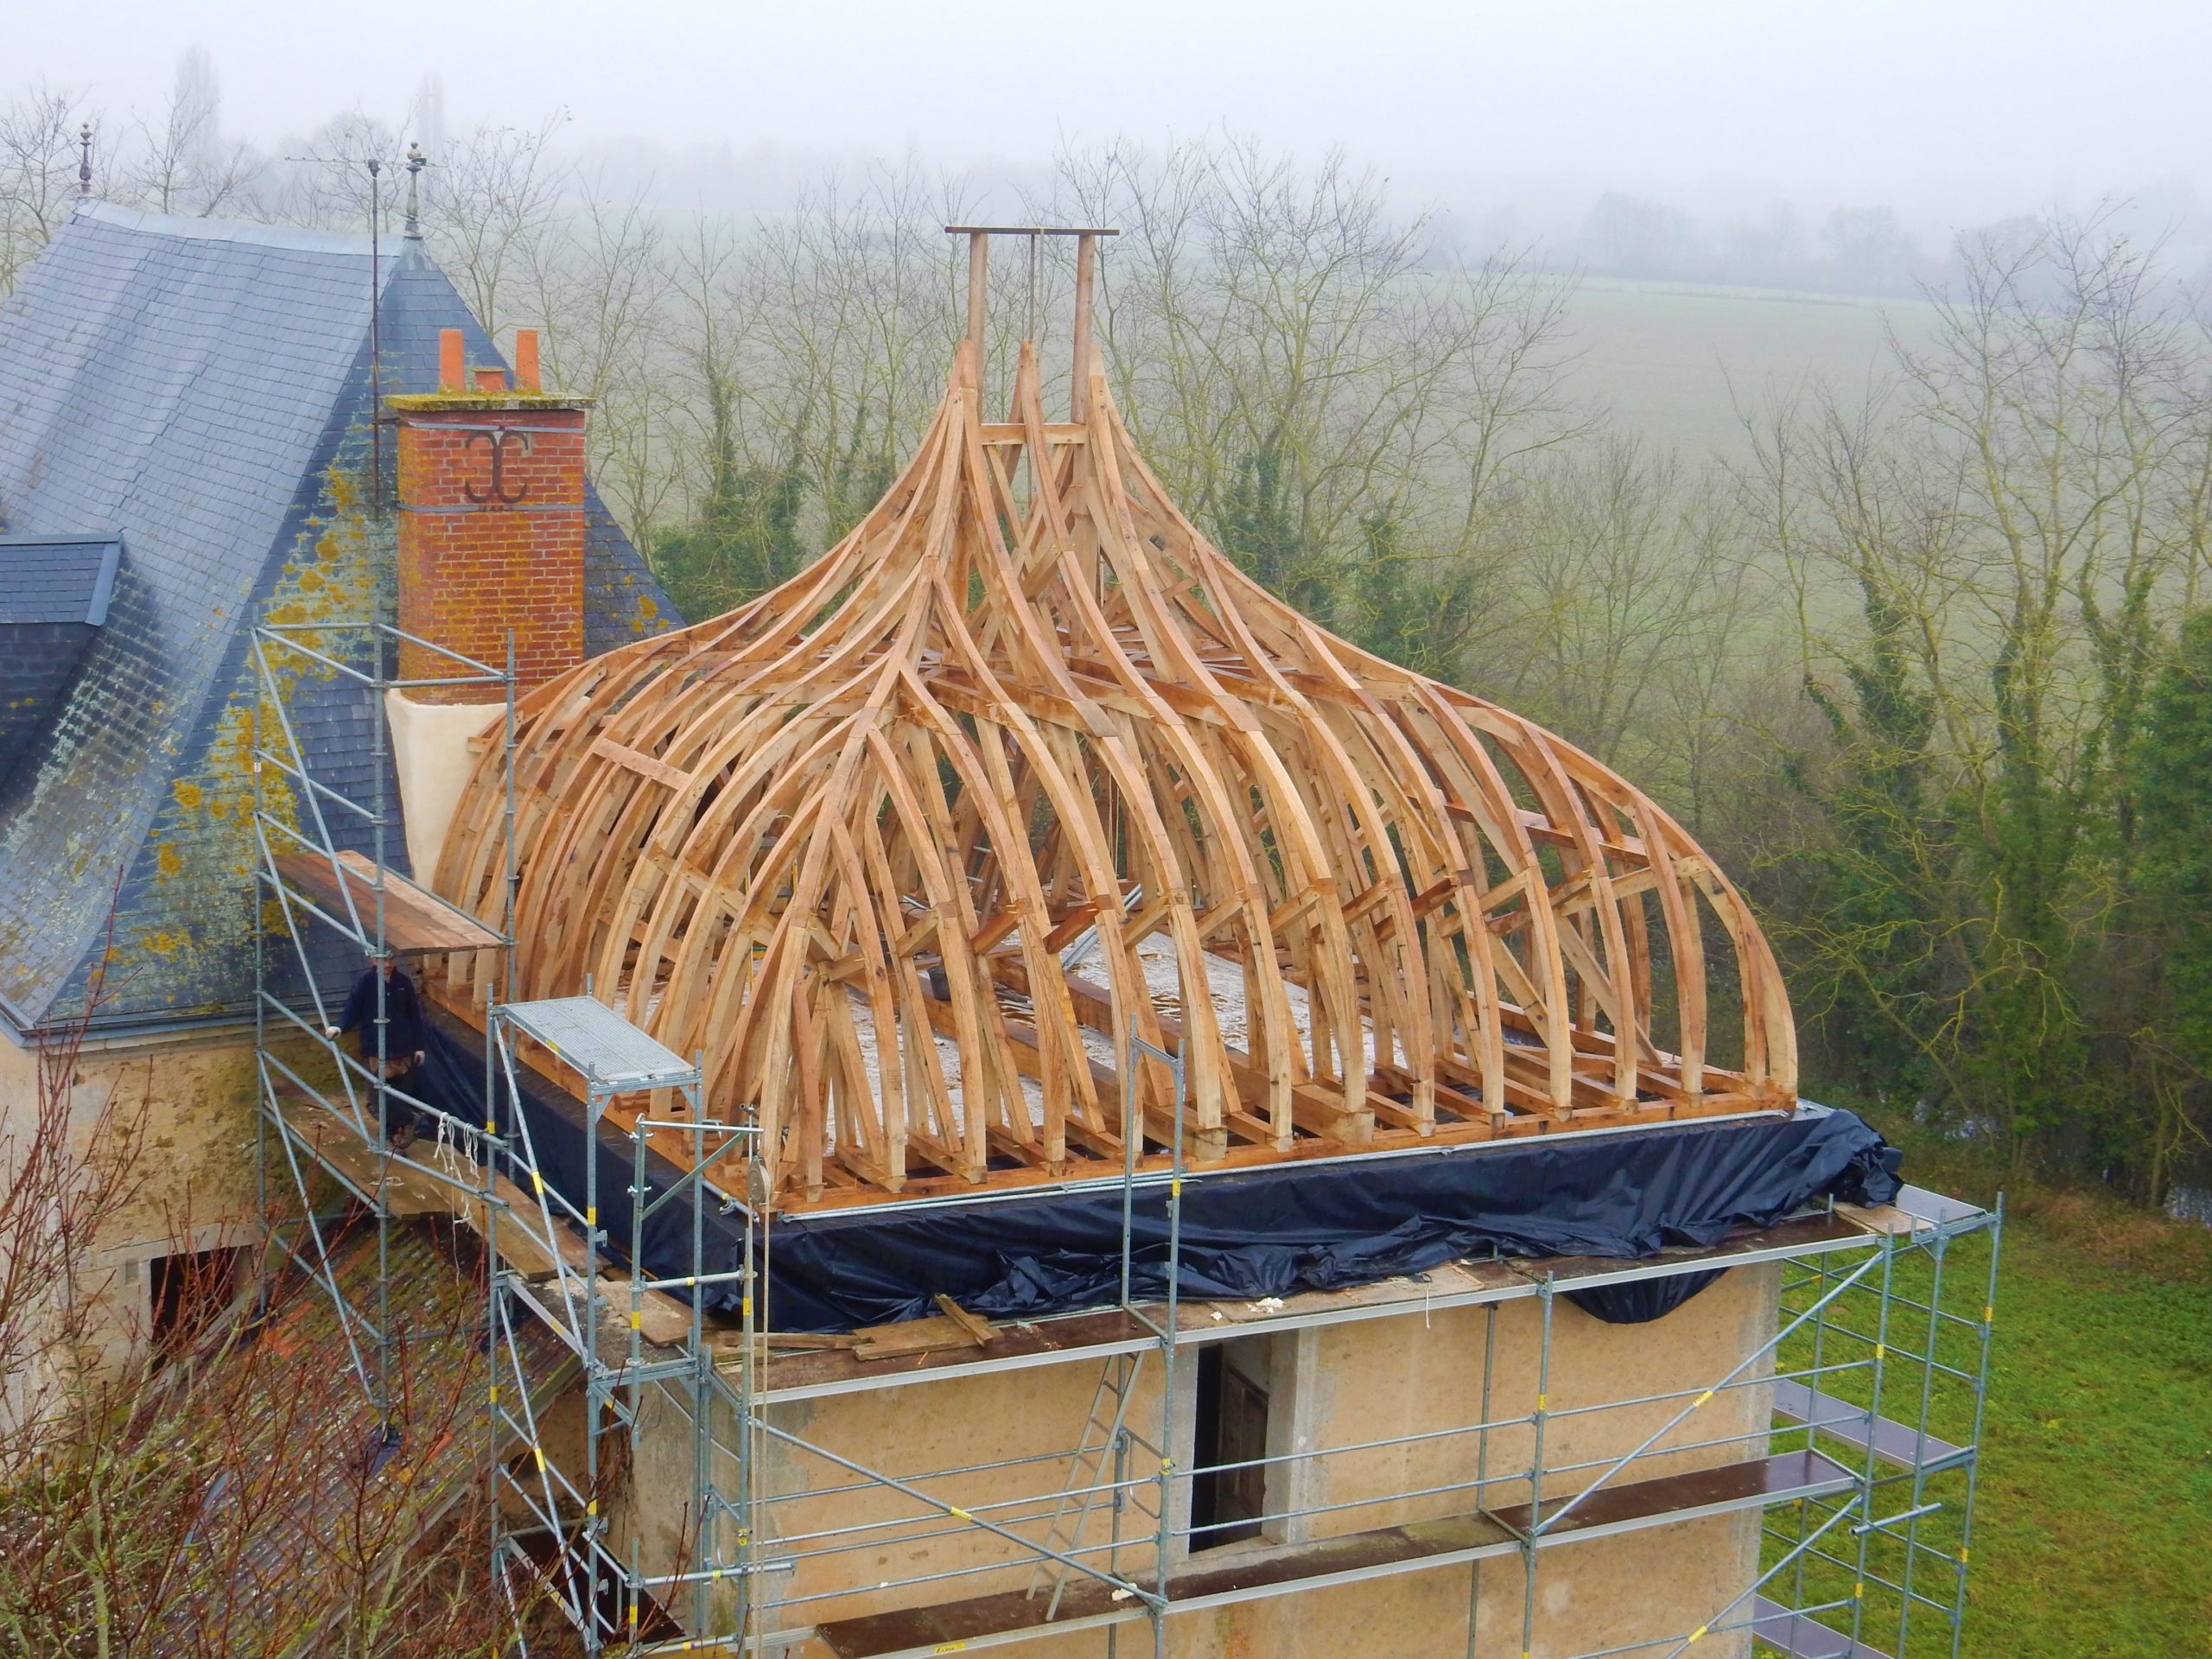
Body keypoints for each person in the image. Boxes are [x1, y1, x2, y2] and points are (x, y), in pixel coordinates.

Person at [328, 952, 434, 1149]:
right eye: (382, 959)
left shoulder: (403, 983)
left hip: (403, 1049)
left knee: (399, 1094)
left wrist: (419, 1047)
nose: (387, 964)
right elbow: (352, 1010)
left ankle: (392, 1142)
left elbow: (414, 1016)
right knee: (378, 1100)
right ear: (372, 960)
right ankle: (411, 1121)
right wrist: (339, 1027)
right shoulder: (365, 983)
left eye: (390, 959)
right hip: (377, 1049)